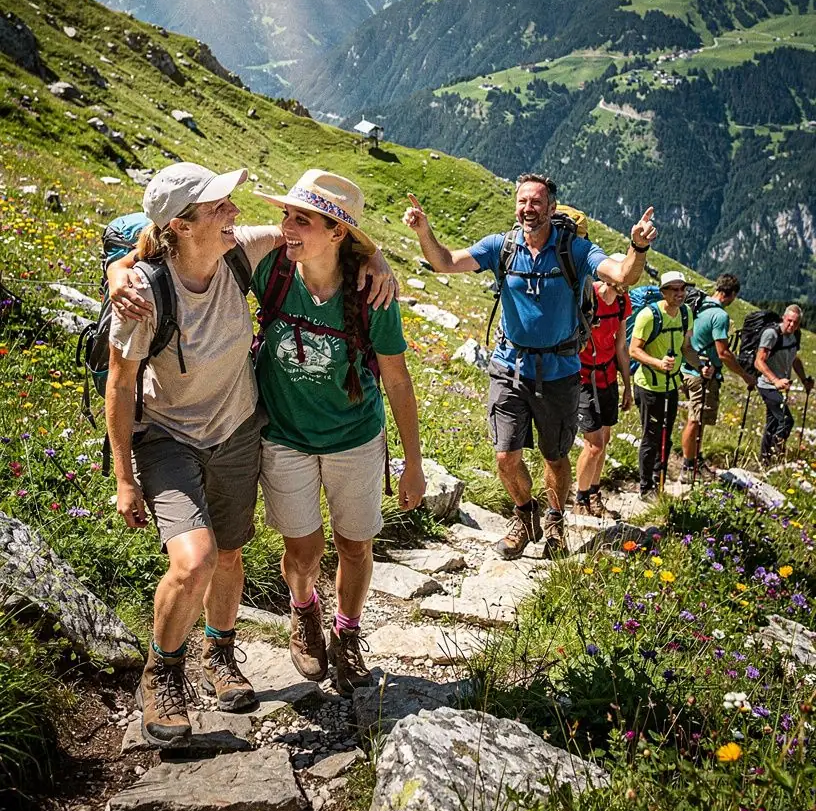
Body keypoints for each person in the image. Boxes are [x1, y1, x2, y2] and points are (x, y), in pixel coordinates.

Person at [107, 161, 395, 745]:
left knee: (231, 556)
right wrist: (124, 477)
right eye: (218, 207)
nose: (235, 213)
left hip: (238, 431)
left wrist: (376, 258)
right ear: (183, 227)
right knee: (195, 560)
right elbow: (119, 382)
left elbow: (328, 242)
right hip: (168, 437)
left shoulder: (245, 251)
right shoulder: (144, 292)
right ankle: (162, 674)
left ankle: (219, 652)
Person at [403, 174, 656, 557]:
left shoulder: (575, 249)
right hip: (509, 366)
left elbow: (623, 275)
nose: (528, 208)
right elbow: (444, 262)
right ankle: (525, 516)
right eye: (523, 201)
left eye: (537, 202)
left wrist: (637, 246)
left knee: (554, 456)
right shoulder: (501, 246)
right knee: (505, 455)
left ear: (552, 209)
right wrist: (425, 230)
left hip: (560, 371)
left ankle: (554, 520)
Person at [253, 170, 425, 696]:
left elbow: (396, 380)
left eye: (300, 219)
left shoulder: (373, 294)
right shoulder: (273, 270)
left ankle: (346, 634)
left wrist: (412, 463)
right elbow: (188, 251)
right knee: (302, 552)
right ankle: (303, 608)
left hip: (356, 440)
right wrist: (123, 269)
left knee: (355, 546)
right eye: (285, 215)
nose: (286, 226)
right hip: (285, 437)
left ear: (337, 234)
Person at [629, 270, 704, 499]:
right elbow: (633, 350)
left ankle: (658, 481)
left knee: (665, 435)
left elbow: (686, 348)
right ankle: (645, 486)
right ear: (663, 292)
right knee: (651, 436)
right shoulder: (648, 316)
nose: (680, 294)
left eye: (683, 289)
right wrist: (658, 363)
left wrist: (702, 366)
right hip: (648, 385)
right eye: (674, 289)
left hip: (671, 385)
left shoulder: (686, 314)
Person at [679, 273, 754, 481]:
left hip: (688, 367)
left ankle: (695, 460)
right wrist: (744, 375)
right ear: (731, 295)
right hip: (702, 374)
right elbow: (723, 353)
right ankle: (688, 466)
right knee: (696, 419)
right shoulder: (719, 316)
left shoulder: (700, 305)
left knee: (698, 419)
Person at [574, 255, 632, 518]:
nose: (626, 282)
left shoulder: (622, 301)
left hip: (607, 377)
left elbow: (621, 345)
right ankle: (580, 498)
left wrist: (627, 385)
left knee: (604, 440)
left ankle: (594, 496)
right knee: (594, 443)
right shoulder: (589, 298)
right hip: (584, 378)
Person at [754, 304, 814, 466]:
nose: (791, 325)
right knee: (786, 421)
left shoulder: (795, 336)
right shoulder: (771, 334)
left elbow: (795, 359)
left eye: (795, 322)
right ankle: (775, 455)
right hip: (767, 384)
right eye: (789, 321)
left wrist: (804, 380)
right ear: (783, 318)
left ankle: (765, 460)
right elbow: (759, 362)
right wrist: (775, 380)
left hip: (779, 386)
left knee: (773, 422)